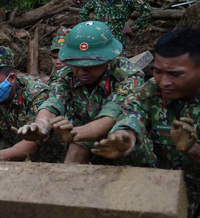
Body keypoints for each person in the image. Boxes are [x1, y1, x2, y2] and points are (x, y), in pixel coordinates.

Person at [92, 29, 200, 218]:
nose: (163, 82)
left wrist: (193, 149)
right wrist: (125, 136)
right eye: (158, 71)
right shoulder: (153, 89)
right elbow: (133, 112)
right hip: (166, 188)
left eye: (175, 74)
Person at [16, 21, 144, 164]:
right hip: (83, 139)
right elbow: (54, 102)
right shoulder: (66, 74)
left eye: (90, 65)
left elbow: (112, 115)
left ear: (108, 59)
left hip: (121, 140)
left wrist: (75, 134)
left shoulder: (127, 75)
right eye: (76, 64)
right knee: (76, 150)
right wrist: (40, 126)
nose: (82, 72)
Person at [79, 0, 151, 50]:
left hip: (118, 41)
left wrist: (133, 27)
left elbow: (147, 10)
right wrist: (90, 29)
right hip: (99, 39)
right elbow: (83, 12)